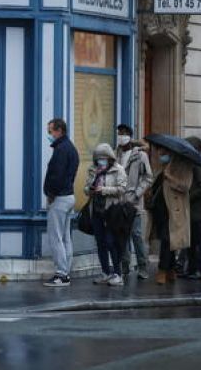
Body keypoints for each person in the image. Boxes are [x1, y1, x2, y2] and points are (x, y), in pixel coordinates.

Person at [148, 146, 193, 285]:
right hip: (160, 210)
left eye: (164, 152)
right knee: (168, 241)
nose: (161, 155)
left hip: (174, 210)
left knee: (167, 240)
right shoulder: (162, 167)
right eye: (160, 152)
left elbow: (185, 186)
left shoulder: (183, 167)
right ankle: (171, 269)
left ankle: (162, 269)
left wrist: (170, 177)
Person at [43, 118, 80, 287]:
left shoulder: (61, 149)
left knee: (56, 237)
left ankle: (61, 274)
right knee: (65, 237)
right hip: (68, 196)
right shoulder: (70, 148)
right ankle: (66, 272)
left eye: (50, 131)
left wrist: (51, 193)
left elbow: (56, 175)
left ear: (59, 131)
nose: (49, 134)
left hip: (59, 198)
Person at [86, 143, 128, 286]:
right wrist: (90, 189)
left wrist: (104, 190)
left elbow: (122, 189)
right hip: (96, 211)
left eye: (103, 158)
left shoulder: (118, 170)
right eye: (98, 158)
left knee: (111, 242)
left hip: (111, 212)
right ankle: (105, 272)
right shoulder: (93, 170)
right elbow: (86, 188)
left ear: (110, 158)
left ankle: (118, 274)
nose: (101, 161)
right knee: (100, 242)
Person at [115, 124, 153, 280]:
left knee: (136, 235)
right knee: (121, 235)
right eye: (119, 133)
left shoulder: (140, 155)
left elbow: (148, 178)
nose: (121, 136)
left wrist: (137, 193)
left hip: (133, 202)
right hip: (118, 202)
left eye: (123, 133)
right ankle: (125, 266)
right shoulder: (116, 154)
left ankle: (143, 266)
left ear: (129, 136)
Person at [183, 137, 201, 280]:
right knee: (191, 242)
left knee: (199, 241)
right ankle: (191, 269)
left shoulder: (199, 164)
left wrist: (189, 196)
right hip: (190, 209)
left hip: (197, 210)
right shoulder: (191, 163)